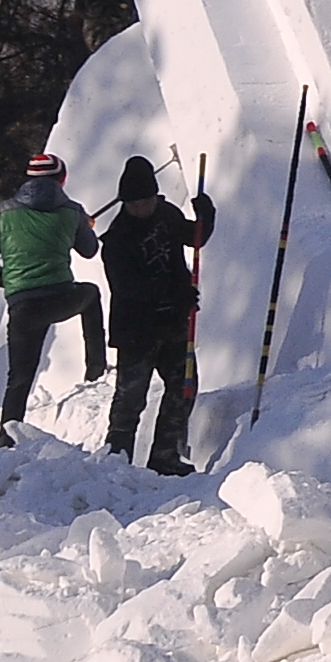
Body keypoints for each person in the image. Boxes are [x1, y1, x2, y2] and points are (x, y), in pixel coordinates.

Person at [0, 152, 107, 446]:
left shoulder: (5, 212)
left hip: (23, 305)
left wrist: (2, 275)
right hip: (61, 298)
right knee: (90, 293)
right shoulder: (70, 211)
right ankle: (96, 369)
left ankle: (6, 439)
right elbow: (90, 250)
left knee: (19, 376)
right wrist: (84, 225)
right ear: (61, 179)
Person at [98, 156, 215, 473]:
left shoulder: (167, 216)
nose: (141, 208)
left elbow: (193, 238)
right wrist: (172, 295)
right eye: (134, 203)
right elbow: (127, 288)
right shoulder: (117, 238)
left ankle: (164, 455)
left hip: (174, 324)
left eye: (146, 200)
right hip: (136, 330)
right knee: (130, 398)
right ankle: (115, 460)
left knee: (184, 387)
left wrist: (206, 217)